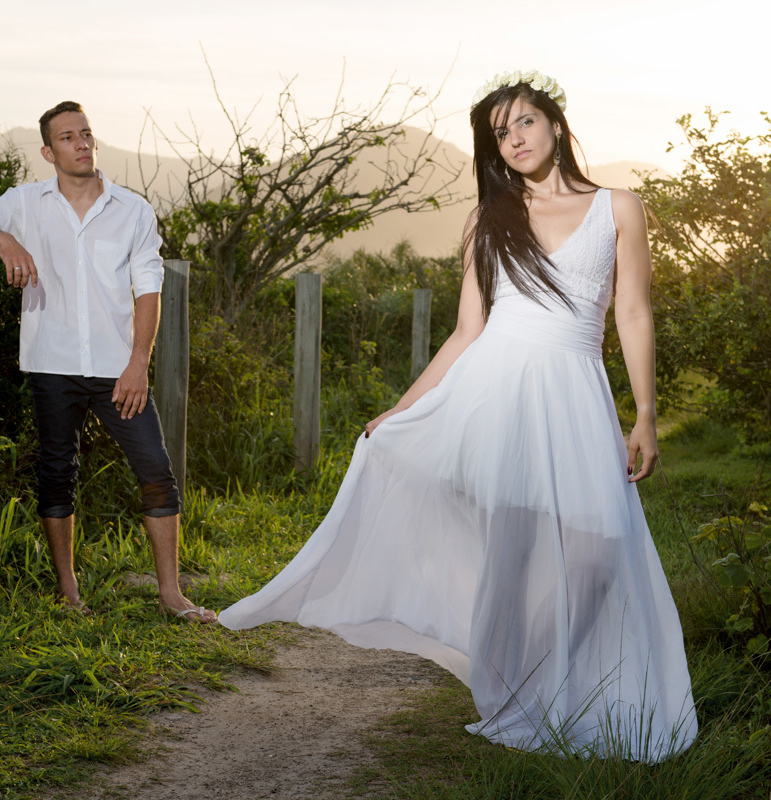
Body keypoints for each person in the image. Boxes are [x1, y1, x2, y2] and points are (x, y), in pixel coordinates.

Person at [219, 71, 697, 758]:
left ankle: (543, 680)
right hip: (496, 395)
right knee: (515, 555)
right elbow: (467, 331)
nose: (515, 139)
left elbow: (633, 311)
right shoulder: (488, 220)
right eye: (501, 133)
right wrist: (403, 409)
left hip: (575, 396)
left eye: (525, 122)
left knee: (596, 554)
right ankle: (516, 698)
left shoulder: (619, 207)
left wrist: (645, 414)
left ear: (556, 125)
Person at [0, 101, 216, 623]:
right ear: (49, 151)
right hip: (52, 364)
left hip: (120, 370)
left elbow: (148, 289)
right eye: (68, 137)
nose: (81, 143)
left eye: (86, 133)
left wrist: (139, 362)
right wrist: (3, 238)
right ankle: (70, 595)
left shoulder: (133, 210)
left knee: (156, 471)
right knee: (56, 474)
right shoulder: (26, 203)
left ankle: (172, 595)